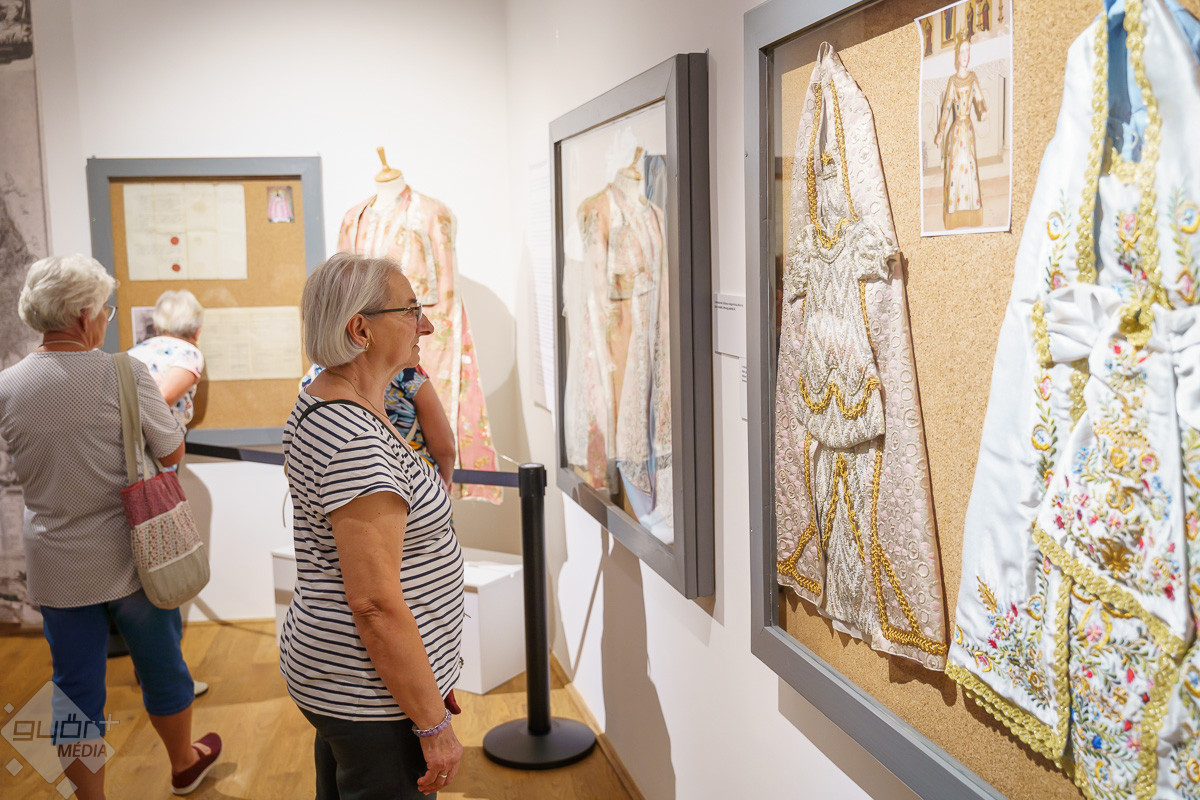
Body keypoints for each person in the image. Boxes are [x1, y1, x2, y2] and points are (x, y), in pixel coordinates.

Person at [0, 255, 221, 798]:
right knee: (163, 666)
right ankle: (183, 763)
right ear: (83, 315)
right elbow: (170, 452)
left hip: (56, 562)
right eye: (105, 309)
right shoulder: (123, 373)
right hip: (134, 555)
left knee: (73, 688)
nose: (105, 319)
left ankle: (90, 796)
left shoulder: (7, 386)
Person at [282, 251, 464, 798]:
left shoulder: (332, 401)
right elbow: (375, 605)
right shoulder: (355, 440)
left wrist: (431, 672)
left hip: (355, 680)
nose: (425, 327)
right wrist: (431, 721)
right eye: (411, 311)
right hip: (369, 692)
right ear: (360, 330)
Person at [126, 288, 209, 697]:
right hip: (158, 470)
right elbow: (158, 402)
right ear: (196, 327)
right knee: (165, 564)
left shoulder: (131, 353)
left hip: (128, 469)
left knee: (140, 570)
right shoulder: (188, 353)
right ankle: (167, 679)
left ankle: (154, 672)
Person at [299, 362, 456, 491]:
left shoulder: (313, 378)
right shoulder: (405, 372)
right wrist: (444, 485)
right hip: (414, 482)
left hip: (341, 484)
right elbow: (444, 446)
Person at [127, 290, 205, 426]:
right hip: (158, 431)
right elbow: (164, 399)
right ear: (197, 331)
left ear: (155, 327)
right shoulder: (189, 353)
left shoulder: (134, 351)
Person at [934, 34, 988, 229]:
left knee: (969, 166)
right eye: (962, 51)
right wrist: (941, 131)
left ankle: (972, 210)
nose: (965, 55)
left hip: (968, 130)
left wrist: (983, 110)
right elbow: (946, 108)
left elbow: (979, 99)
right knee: (956, 166)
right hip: (957, 131)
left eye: (968, 51)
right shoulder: (953, 81)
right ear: (957, 55)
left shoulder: (973, 78)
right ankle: (954, 212)